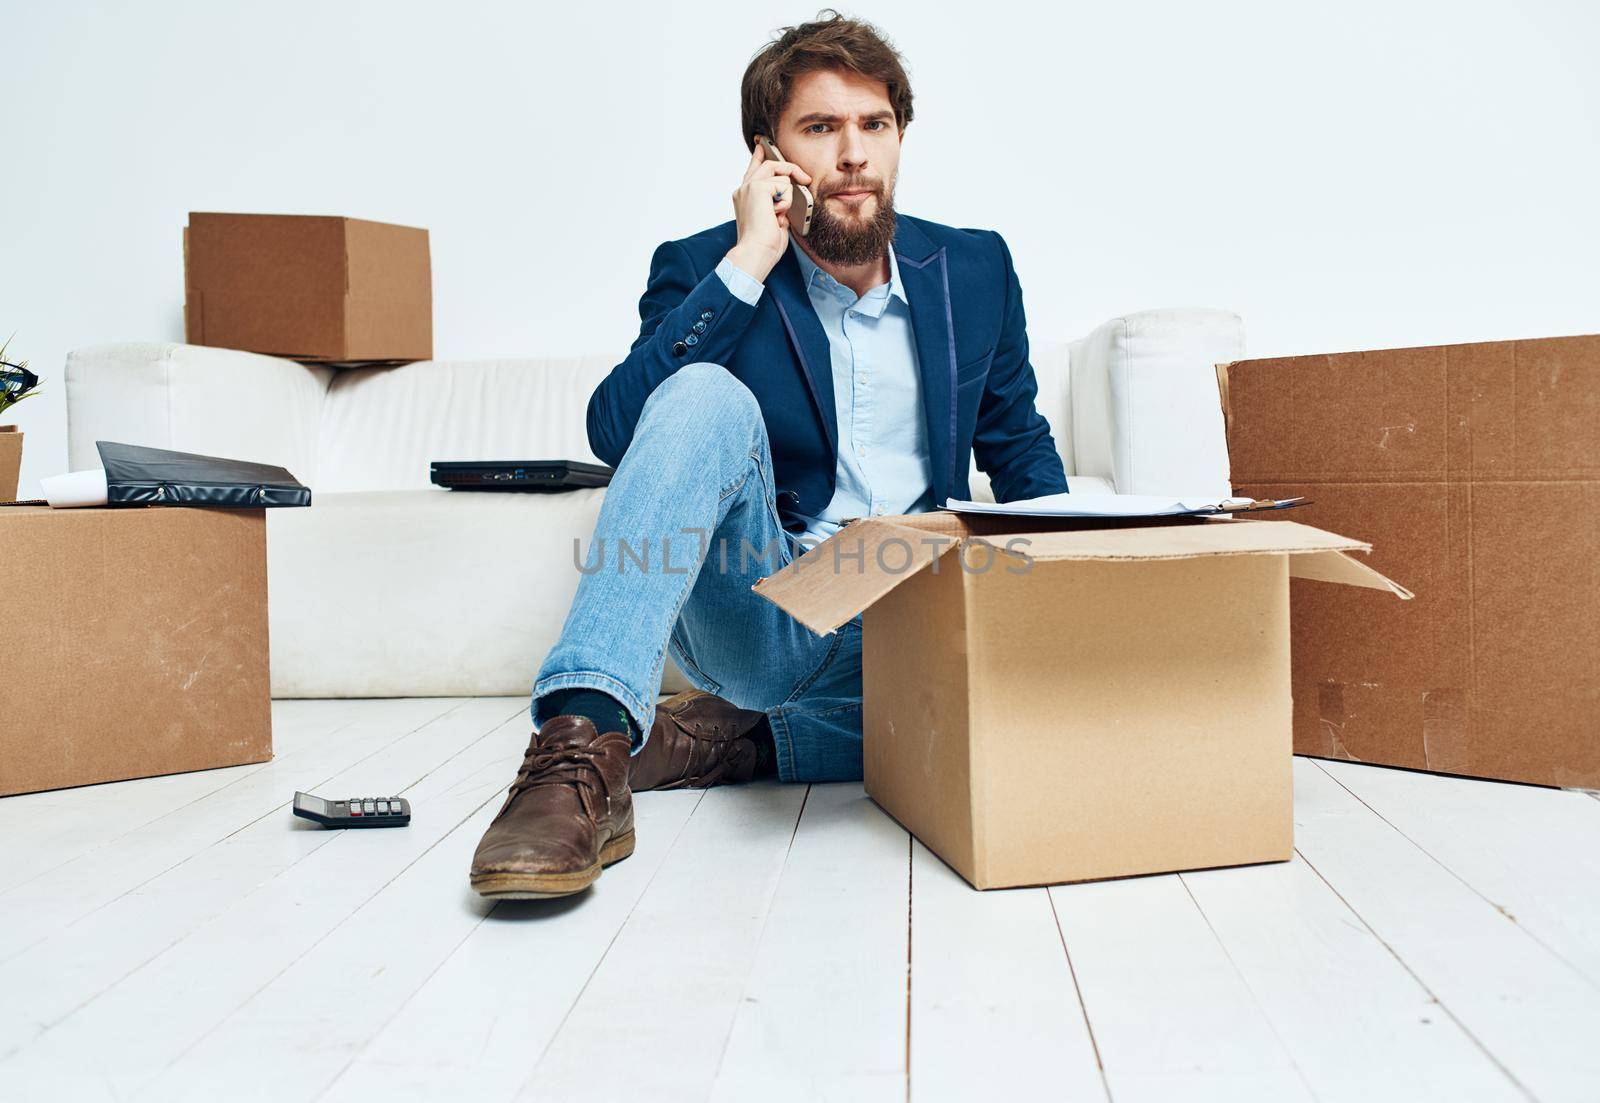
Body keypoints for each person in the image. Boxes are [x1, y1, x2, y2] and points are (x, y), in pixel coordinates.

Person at [469, 10, 1066, 900]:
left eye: (874, 125)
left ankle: (736, 740)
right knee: (704, 390)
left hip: (915, 611)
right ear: (770, 157)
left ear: (902, 136)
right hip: (767, 609)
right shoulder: (706, 266)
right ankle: (577, 748)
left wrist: (1077, 599)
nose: (853, 154)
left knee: (1031, 706)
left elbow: (1019, 452)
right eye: (821, 129)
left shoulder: (975, 268)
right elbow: (614, 429)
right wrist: (752, 257)